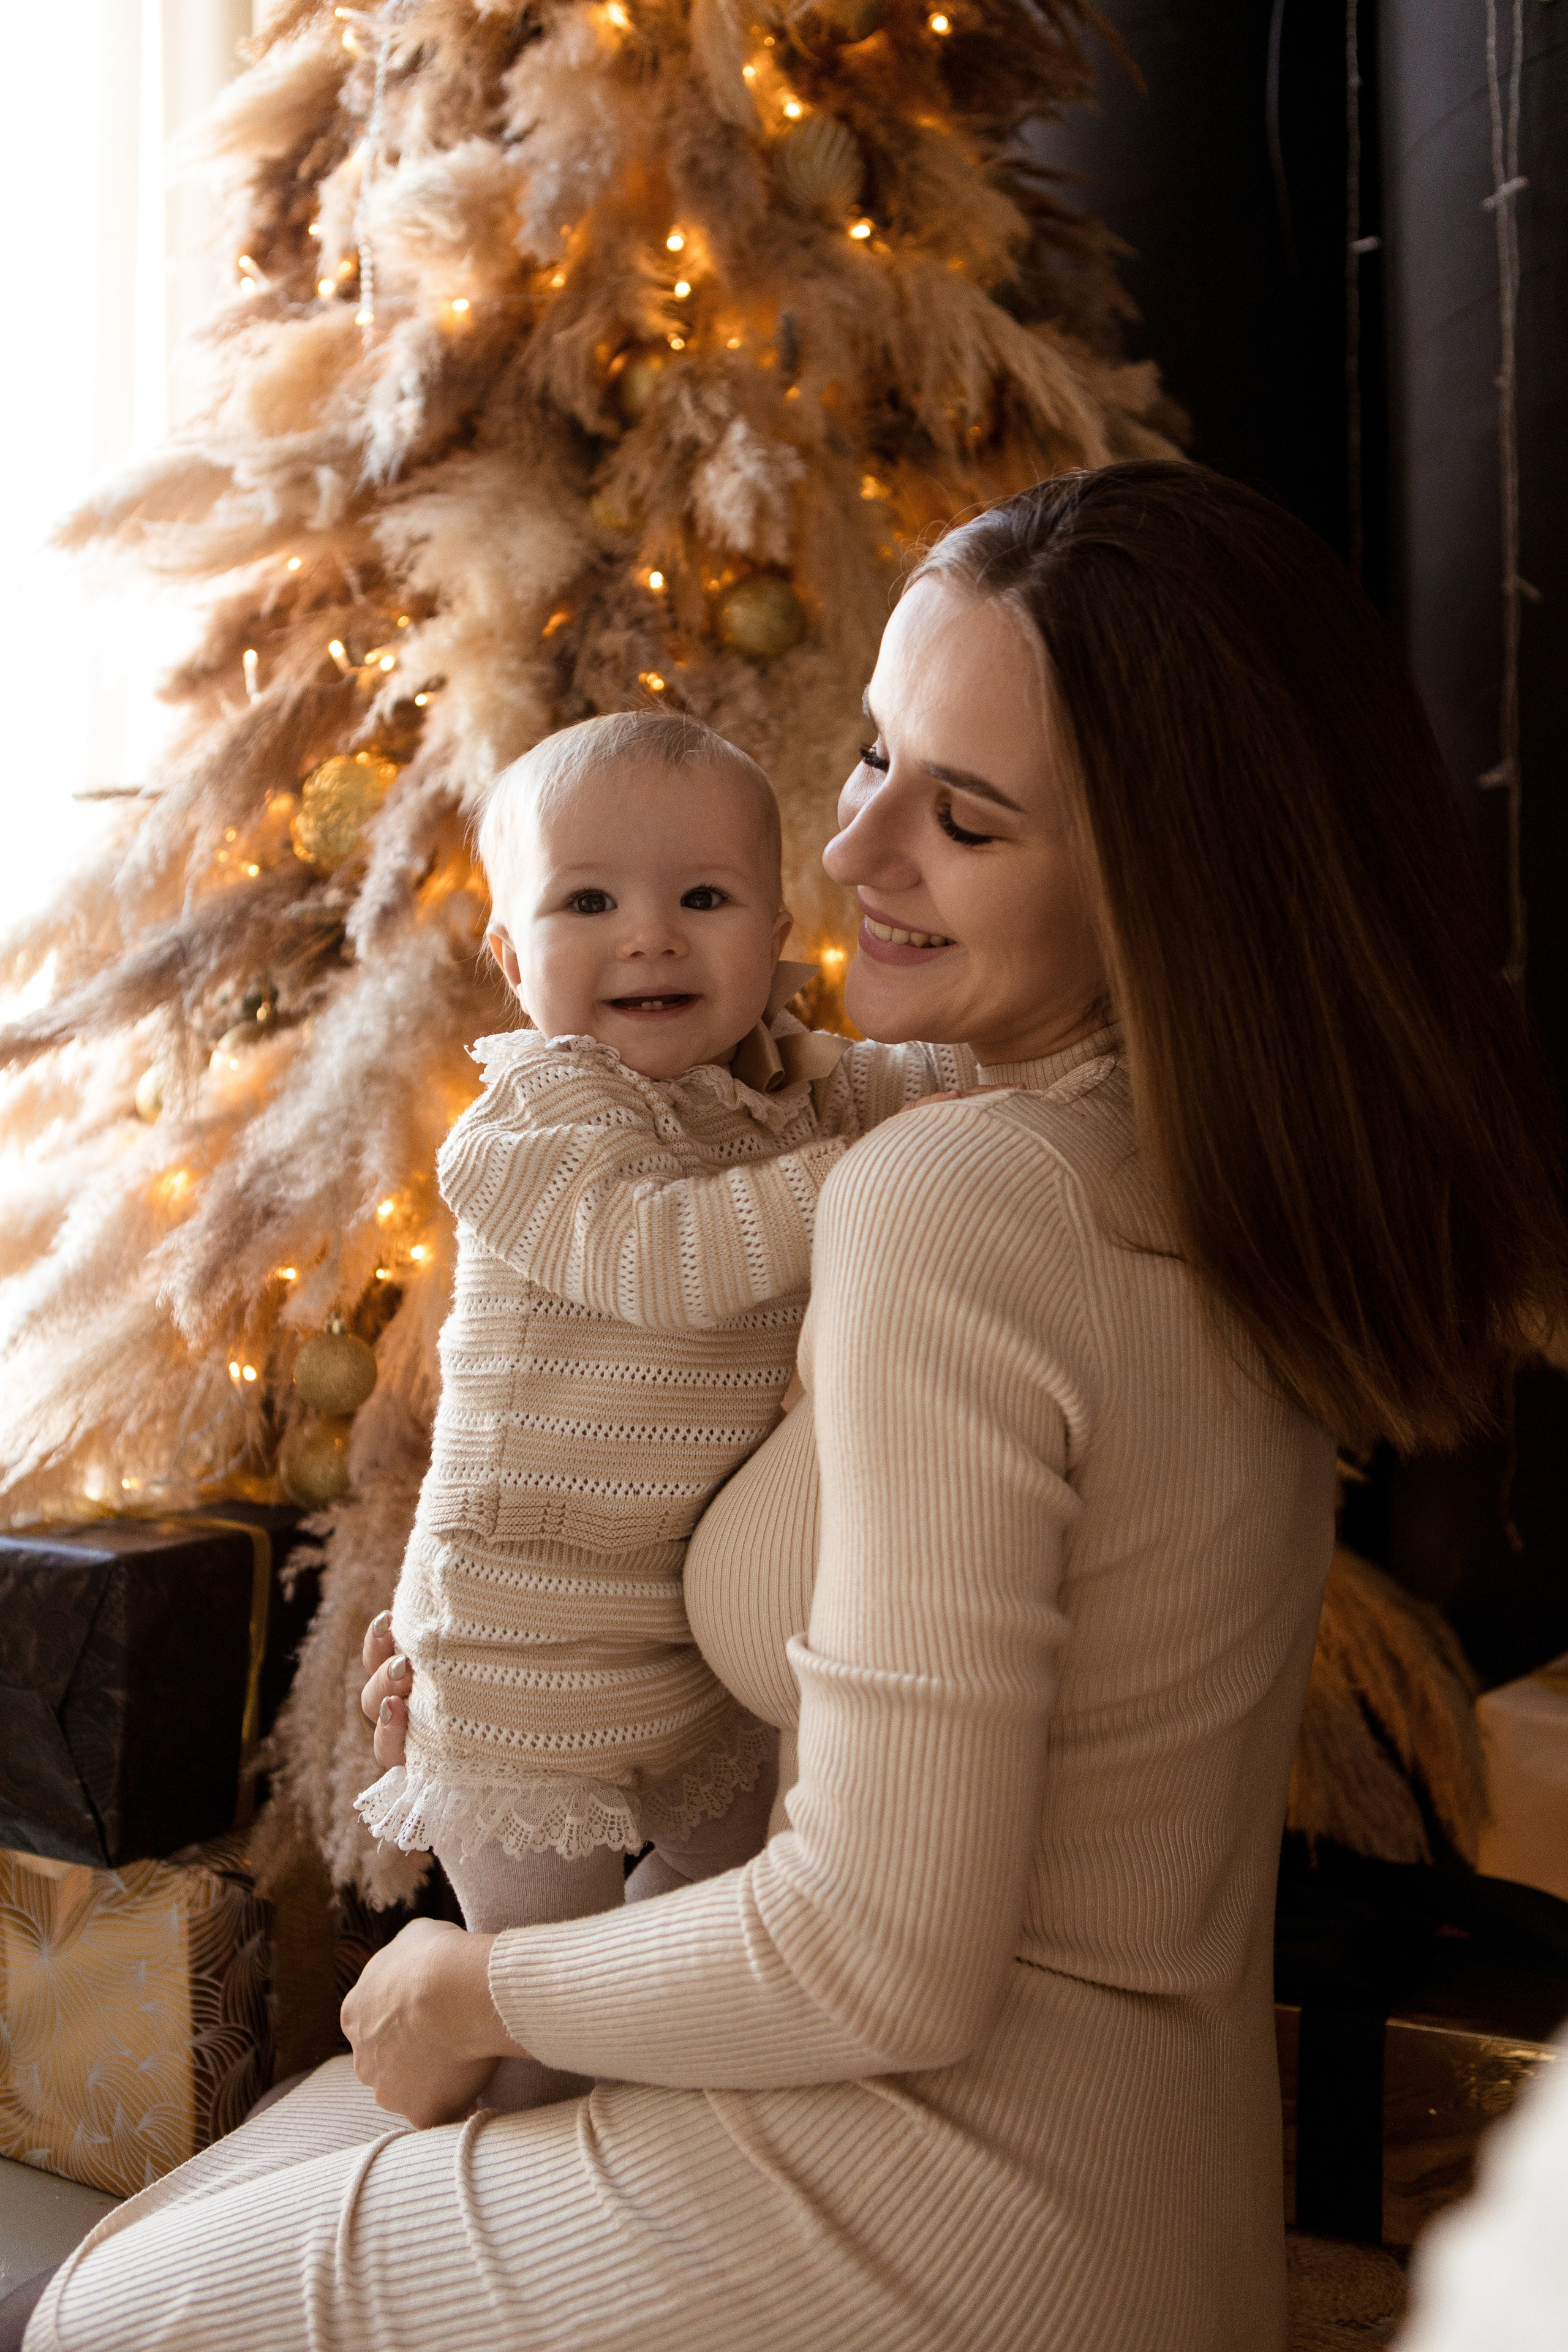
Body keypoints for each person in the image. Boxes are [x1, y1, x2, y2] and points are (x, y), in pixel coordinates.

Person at [20, 462, 1564, 2352]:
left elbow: (875, 1956)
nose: (852, 859)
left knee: (108, 2309)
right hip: (1166, 2198)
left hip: (940, 2220)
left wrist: (478, 1987)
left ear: (1160, 884)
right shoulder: (1212, 1164)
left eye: (965, 819)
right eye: (873, 765)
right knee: (259, 2174)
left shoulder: (951, 1198)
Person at [352, 708, 967, 2109]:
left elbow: (935, 1080)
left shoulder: (773, 1096)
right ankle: (481, 2157)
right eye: (587, 902)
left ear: (772, 935)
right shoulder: (528, 1128)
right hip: (521, 1663)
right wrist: (889, 1175)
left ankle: (645, 2115)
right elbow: (669, 1259)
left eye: (702, 898)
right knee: (542, 1999)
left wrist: (1011, 1069)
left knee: (719, 1891)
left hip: (686, 1652)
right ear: (512, 962)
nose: (649, 937)